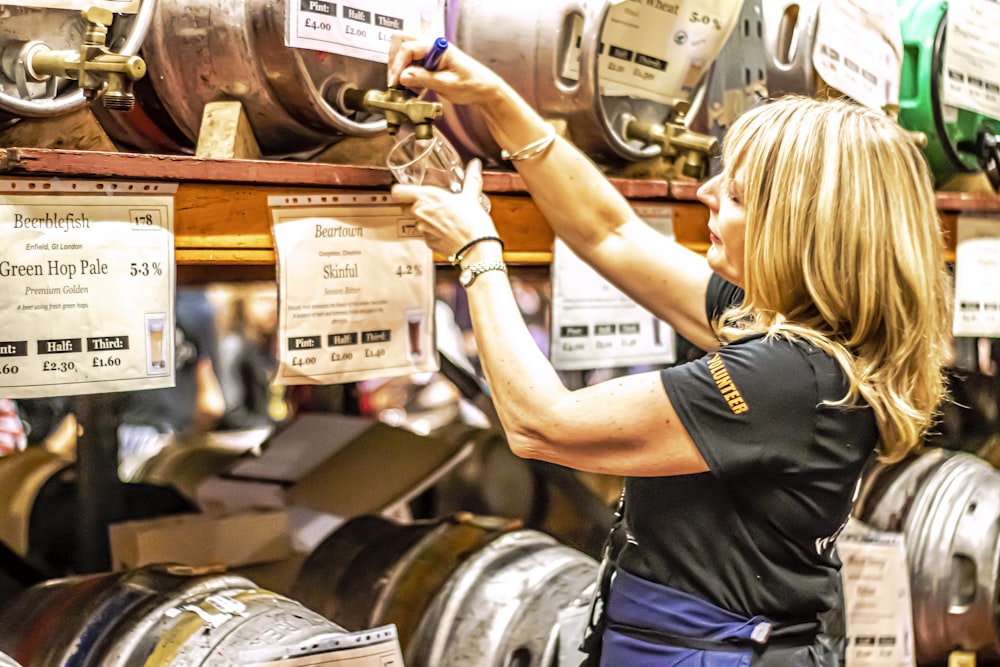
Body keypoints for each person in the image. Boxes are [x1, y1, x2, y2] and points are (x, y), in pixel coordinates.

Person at [387, 36, 952, 665]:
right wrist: (494, 98)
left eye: (737, 194)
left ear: (799, 228)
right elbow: (611, 233)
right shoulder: (803, 338)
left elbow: (540, 424)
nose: (707, 195)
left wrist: (477, 253)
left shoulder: (783, 377)